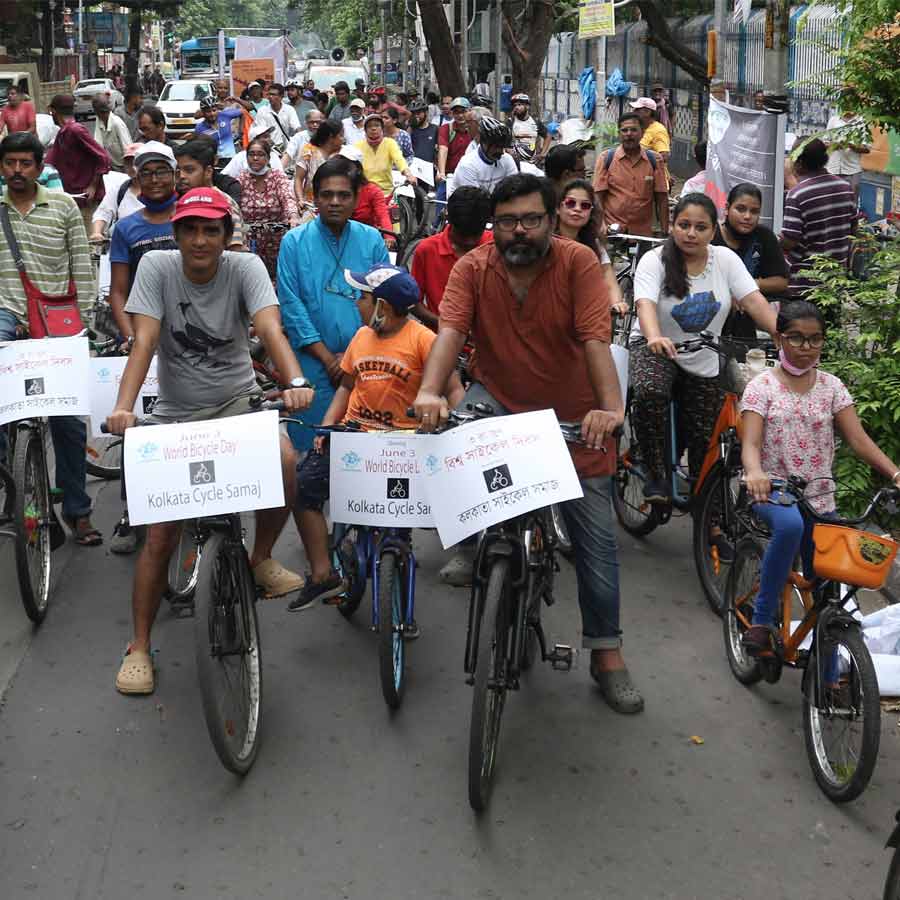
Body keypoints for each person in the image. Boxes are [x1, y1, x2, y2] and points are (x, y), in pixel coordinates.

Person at [413, 173, 644, 713]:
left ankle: (606, 652)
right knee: (454, 463)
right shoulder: (473, 268)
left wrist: (609, 410)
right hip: (496, 397)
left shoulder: (577, 263)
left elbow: (595, 340)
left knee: (595, 539)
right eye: (509, 221)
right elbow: (448, 336)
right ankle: (475, 548)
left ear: (550, 220)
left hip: (574, 412)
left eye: (531, 220)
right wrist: (429, 392)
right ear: (495, 225)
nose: (520, 231)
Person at [106, 187, 316, 694]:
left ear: (226, 235)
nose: (200, 240)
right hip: (176, 413)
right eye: (191, 229)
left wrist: (293, 383)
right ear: (176, 234)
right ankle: (138, 645)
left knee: (286, 460)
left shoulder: (245, 269)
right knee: (160, 536)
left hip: (239, 403)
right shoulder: (156, 267)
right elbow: (146, 340)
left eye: (211, 230)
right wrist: (123, 407)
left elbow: (270, 328)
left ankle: (261, 556)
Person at [290, 265, 464, 613]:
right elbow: (346, 386)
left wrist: (457, 426)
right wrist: (327, 428)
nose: (357, 303)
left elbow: (454, 387)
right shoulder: (361, 338)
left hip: (403, 446)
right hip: (354, 438)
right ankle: (323, 572)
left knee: (396, 528)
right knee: (302, 486)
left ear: (382, 305)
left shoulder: (424, 340)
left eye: (363, 297)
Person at [740, 300, 900, 654]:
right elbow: (750, 443)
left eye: (815, 339)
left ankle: (828, 679)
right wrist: (754, 473)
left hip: (820, 497)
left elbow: (858, 440)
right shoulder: (761, 387)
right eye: (796, 338)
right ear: (779, 338)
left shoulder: (832, 387)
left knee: (828, 591)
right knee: (791, 527)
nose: (806, 348)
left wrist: (895, 473)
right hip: (773, 490)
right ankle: (763, 621)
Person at [629, 193, 776, 506]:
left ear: (713, 231)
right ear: (673, 226)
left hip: (705, 352)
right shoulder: (654, 261)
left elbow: (753, 300)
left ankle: (709, 517)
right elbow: (645, 304)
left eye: (700, 227)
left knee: (707, 435)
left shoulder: (724, 260)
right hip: (656, 348)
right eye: (684, 225)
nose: (691, 233)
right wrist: (654, 336)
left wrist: (782, 335)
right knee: (651, 391)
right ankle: (654, 470)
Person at [0, 132, 100, 546]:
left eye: (26, 163)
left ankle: (78, 512)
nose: (17, 171)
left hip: (58, 322)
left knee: (69, 426)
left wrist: (86, 324)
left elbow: (81, 263)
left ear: (40, 168)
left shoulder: (62, 207)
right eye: (10, 163)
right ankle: (17, 495)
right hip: (5, 315)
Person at [276, 157, 390, 452]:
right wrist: (329, 359)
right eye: (326, 195)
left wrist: (353, 357)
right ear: (315, 197)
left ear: (356, 199)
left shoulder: (372, 239)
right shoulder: (293, 242)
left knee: (366, 452)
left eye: (343, 195)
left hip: (366, 362)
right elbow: (292, 308)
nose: (335, 202)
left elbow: (383, 304)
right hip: (313, 362)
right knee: (311, 450)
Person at [107, 143, 180, 342]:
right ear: (138, 179)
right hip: (143, 330)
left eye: (161, 172)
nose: (154, 180)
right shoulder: (125, 228)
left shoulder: (190, 219)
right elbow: (118, 292)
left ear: (175, 175)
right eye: (146, 174)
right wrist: (132, 338)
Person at [781, 138, 856, 300]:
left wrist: (775, 240)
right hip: (836, 279)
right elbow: (853, 229)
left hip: (805, 283)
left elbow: (790, 241)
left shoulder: (797, 195)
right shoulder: (845, 188)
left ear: (799, 163)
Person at [713, 183, 789, 342]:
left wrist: (744, 289)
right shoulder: (711, 236)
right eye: (740, 209)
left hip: (749, 317)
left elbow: (781, 281)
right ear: (727, 208)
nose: (747, 216)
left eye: (754, 211)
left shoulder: (764, 237)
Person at [409, 185, 492, 329]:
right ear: (448, 219)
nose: (470, 242)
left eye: (476, 234)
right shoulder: (427, 250)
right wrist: (447, 327)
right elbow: (413, 303)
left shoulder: (495, 247)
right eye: (463, 234)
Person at [555, 179, 626, 316]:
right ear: (558, 208)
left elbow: (607, 276)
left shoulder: (594, 245)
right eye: (570, 203)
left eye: (585, 206)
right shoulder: (544, 242)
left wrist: (617, 302)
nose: (577, 209)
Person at [593, 112, 669, 237]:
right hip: (613, 232)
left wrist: (665, 231)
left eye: (634, 130)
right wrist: (601, 225)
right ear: (619, 133)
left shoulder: (654, 160)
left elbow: (662, 198)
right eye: (624, 130)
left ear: (642, 133)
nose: (629, 134)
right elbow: (598, 197)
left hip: (643, 234)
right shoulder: (606, 158)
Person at [45, 94, 111, 230]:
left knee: (90, 243)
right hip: (71, 199)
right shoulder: (62, 133)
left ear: (53, 111)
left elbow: (103, 157)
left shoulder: (75, 130)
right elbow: (50, 162)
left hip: (85, 201)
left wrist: (93, 185)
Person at [239, 136, 300, 279]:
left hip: (277, 238)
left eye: (260, 154)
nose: (255, 158)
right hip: (251, 240)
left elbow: (287, 197)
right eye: (251, 154)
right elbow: (234, 204)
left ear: (268, 158)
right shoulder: (242, 178)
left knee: (281, 276)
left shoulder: (277, 177)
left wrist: (293, 216)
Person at [174, 139, 246, 251]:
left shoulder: (225, 203)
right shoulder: (181, 201)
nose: (182, 176)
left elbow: (234, 252)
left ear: (208, 172)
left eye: (189, 170)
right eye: (179, 171)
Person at [448, 116, 517, 197]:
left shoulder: (507, 159)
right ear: (484, 143)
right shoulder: (467, 165)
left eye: (503, 147)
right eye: (496, 147)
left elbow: (514, 190)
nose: (501, 152)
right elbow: (475, 202)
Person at [90, 142, 144, 241]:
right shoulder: (120, 190)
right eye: (128, 163)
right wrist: (97, 232)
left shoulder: (158, 189)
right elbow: (103, 212)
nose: (132, 167)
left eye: (136, 162)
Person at [355, 114, 416, 195]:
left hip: (385, 193)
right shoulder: (358, 147)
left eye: (377, 125)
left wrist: (408, 174)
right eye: (369, 126)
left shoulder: (390, 143)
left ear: (382, 128)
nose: (373, 128)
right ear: (365, 130)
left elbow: (399, 159)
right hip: (365, 193)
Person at [341, 145, 392, 235]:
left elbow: (383, 215)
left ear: (358, 169)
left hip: (366, 236)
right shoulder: (334, 188)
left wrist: (389, 237)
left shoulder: (372, 191)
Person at [825, 106, 869, 203]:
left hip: (853, 170)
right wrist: (835, 145)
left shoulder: (861, 122)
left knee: (851, 202)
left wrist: (850, 145)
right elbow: (825, 142)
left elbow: (866, 149)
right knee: (832, 201)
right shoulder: (833, 120)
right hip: (833, 168)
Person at [294, 120, 344, 204]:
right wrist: (300, 200)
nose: (343, 139)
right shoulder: (309, 151)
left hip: (337, 203)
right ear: (331, 136)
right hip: (311, 204)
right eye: (341, 135)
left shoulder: (345, 152)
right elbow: (298, 178)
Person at [435, 97, 472, 201]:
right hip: (449, 176)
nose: (460, 115)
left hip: (469, 176)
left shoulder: (474, 129)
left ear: (469, 111)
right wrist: (441, 173)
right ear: (452, 114)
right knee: (440, 207)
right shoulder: (446, 129)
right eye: (456, 112)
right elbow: (443, 149)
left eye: (463, 111)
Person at [193, 96, 243, 163]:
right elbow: (198, 148)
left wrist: (241, 130)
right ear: (203, 113)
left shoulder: (225, 115)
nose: (212, 114)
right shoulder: (199, 128)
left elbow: (243, 112)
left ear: (217, 109)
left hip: (231, 159)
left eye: (214, 110)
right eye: (208, 111)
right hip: (214, 162)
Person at [255, 83, 301, 153]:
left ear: (281, 96)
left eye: (273, 94)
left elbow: (297, 127)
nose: (270, 97)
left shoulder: (289, 109)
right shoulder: (262, 111)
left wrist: (301, 142)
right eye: (269, 94)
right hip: (269, 149)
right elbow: (261, 133)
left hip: (286, 149)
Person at [92, 96, 132, 172]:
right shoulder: (99, 120)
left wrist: (128, 170)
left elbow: (127, 148)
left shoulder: (117, 123)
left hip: (124, 166)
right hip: (111, 165)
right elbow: (98, 142)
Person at [629, 97, 670, 164]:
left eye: (637, 109)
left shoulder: (658, 130)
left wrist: (640, 154)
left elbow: (664, 157)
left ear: (647, 112)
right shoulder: (640, 128)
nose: (633, 111)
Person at [509, 93, 549, 160]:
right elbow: (504, 141)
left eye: (519, 105)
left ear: (527, 106)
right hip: (516, 162)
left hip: (533, 162)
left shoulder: (536, 122)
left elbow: (548, 136)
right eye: (515, 105)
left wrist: (542, 154)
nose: (516, 107)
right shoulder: (511, 122)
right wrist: (509, 151)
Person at [408, 99, 438, 165]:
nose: (416, 116)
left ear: (426, 112)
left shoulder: (434, 129)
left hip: (429, 166)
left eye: (418, 113)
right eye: (413, 113)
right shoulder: (411, 129)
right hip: (414, 165)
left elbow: (438, 150)